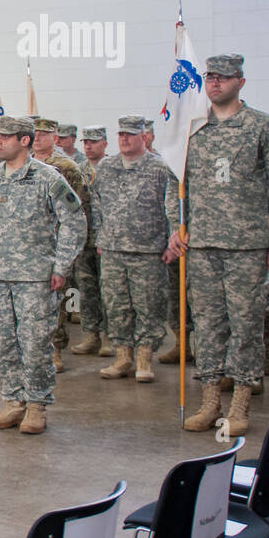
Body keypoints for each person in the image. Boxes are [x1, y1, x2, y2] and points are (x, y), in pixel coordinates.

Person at [168, 54, 269, 436]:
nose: (215, 84)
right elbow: (174, 184)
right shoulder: (193, 128)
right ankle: (210, 401)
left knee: (246, 325)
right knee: (208, 324)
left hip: (247, 245)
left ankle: (241, 403)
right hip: (203, 244)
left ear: (240, 83)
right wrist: (175, 227)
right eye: (211, 77)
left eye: (224, 78)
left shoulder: (262, 127)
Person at [0, 117, 86, 435]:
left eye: (6, 137)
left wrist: (61, 266)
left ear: (25, 141)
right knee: (1, 343)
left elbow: (74, 221)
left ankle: (37, 405)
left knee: (36, 343)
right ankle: (13, 402)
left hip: (34, 277)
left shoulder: (47, 177)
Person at [91, 116, 174, 383]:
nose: (124, 139)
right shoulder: (106, 167)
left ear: (144, 136)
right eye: (121, 135)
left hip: (148, 251)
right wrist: (100, 237)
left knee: (149, 306)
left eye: (130, 134)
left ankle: (144, 358)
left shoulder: (160, 167)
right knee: (116, 306)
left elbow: (172, 207)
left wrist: (171, 240)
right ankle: (123, 357)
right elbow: (97, 204)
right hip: (113, 249)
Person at [32, 117, 90, 373]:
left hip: (55, 243)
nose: (38, 138)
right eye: (34, 133)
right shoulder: (21, 164)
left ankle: (55, 349)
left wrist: (73, 245)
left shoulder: (66, 166)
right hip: (28, 243)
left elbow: (79, 206)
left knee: (57, 301)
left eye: (44, 134)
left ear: (55, 137)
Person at [71, 126, 113, 357]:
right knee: (86, 290)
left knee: (108, 290)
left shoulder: (112, 169)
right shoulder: (78, 170)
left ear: (105, 144)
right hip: (84, 240)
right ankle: (91, 335)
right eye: (86, 142)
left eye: (94, 142)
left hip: (106, 241)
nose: (88, 146)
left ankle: (109, 337)